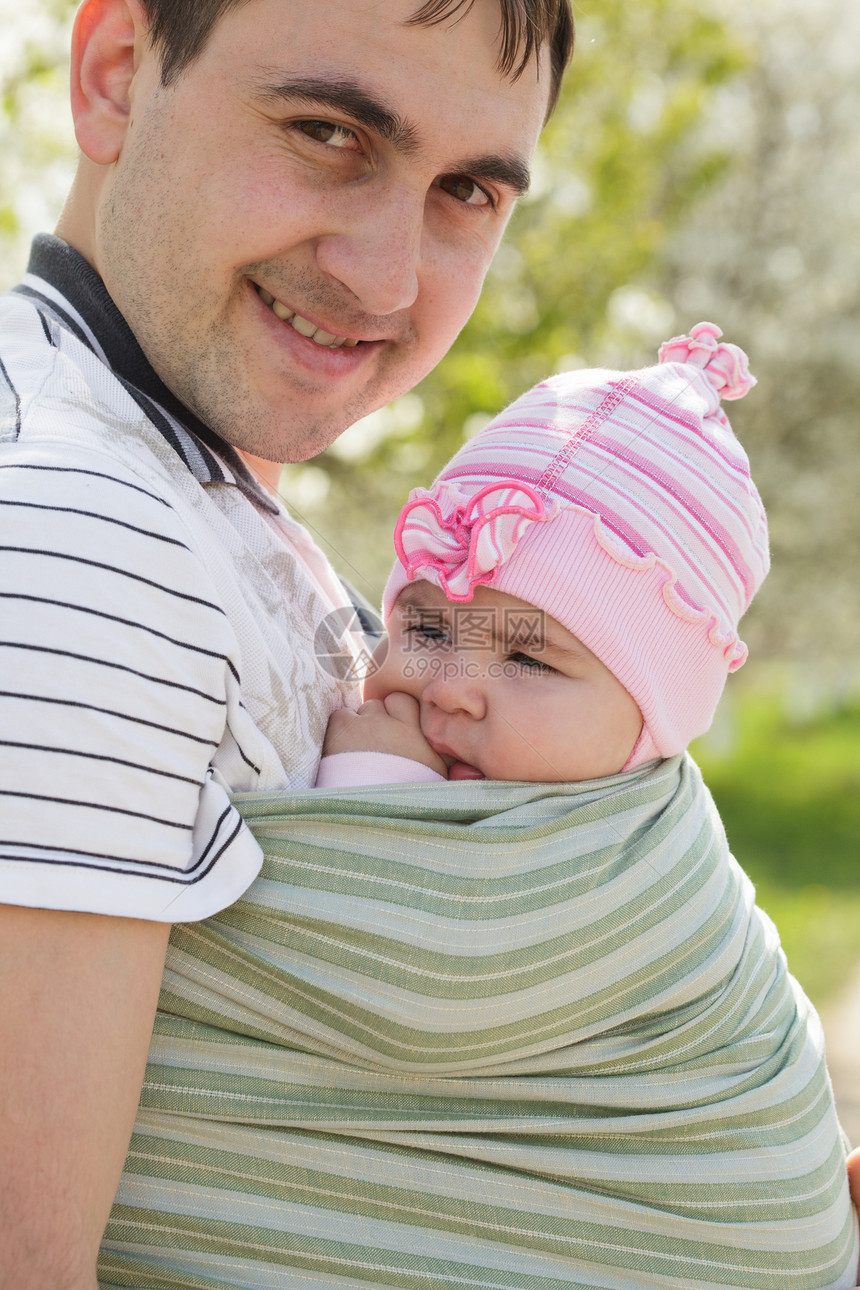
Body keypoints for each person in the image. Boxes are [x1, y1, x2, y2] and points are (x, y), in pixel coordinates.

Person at [0, 0, 573, 1284]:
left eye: (468, 189)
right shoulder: (82, 524)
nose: (386, 278)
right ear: (112, 78)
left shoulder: (175, 483)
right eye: (326, 132)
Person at [210, 324, 854, 1286]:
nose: (451, 687)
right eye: (425, 625)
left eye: (525, 657)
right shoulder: (527, 771)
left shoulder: (624, 853)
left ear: (650, 720)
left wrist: (375, 794)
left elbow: (416, 981)